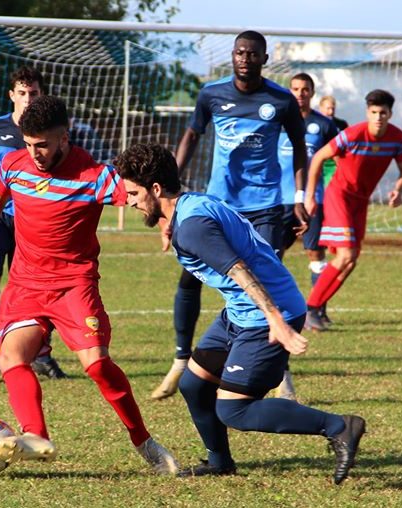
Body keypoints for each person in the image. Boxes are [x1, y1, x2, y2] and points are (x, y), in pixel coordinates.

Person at [0, 96, 179, 474]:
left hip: (73, 285)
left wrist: (166, 221)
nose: (34, 152)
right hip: (26, 284)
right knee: (11, 358)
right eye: (28, 143)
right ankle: (35, 436)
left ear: (64, 137)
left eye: (42, 145)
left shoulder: (93, 175)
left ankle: (143, 441)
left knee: (97, 366)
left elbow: (141, 194)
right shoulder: (15, 165)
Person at [115, 143, 366, 484]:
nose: (129, 201)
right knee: (193, 384)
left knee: (234, 409)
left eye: (133, 193)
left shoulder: (192, 227)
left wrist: (276, 319)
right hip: (239, 313)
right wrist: (163, 221)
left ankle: (339, 426)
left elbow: (239, 269)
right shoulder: (192, 205)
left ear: (156, 189)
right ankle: (220, 461)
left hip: (267, 315)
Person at [151, 30, 306, 401]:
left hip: (266, 206)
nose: (245, 58)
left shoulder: (281, 100)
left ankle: (280, 371)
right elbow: (191, 136)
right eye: (239, 52)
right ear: (232, 56)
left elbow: (300, 148)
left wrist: (300, 197)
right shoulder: (211, 94)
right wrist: (170, 185)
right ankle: (179, 359)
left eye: (253, 54)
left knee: (264, 282)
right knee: (189, 281)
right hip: (219, 206)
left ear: (264, 59)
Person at [0, 66, 67, 380]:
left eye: (33, 93)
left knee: (36, 288)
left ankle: (42, 355)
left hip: (32, 221)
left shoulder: (47, 136)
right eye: (22, 93)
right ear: (11, 95)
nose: (28, 98)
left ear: (41, 94)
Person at [302, 89, 402, 331]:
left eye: (383, 112)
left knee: (351, 261)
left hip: (361, 201)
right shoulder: (352, 134)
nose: (378, 117)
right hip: (339, 195)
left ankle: (318, 308)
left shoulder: (396, 138)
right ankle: (310, 308)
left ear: (390, 114)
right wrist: (309, 195)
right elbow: (319, 156)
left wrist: (398, 190)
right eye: (373, 112)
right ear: (367, 113)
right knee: (345, 255)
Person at [278, 74, 340, 327]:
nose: (300, 93)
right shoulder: (277, 122)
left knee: (315, 253)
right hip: (279, 198)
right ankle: (276, 312)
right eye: (295, 89)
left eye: (305, 89)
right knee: (273, 254)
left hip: (312, 200)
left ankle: (315, 311)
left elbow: (338, 160)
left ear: (312, 93)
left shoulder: (323, 125)